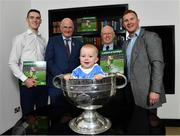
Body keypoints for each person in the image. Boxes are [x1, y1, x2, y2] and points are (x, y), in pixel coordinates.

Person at [122, 9, 166, 126]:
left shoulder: (150, 37)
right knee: (137, 125)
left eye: (132, 19)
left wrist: (155, 90)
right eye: (126, 20)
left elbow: (158, 63)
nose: (129, 22)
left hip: (147, 92)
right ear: (123, 24)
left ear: (138, 21)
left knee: (151, 124)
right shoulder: (125, 43)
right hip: (130, 91)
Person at [9, 9, 48, 117]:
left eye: (37, 18)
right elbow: (12, 62)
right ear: (27, 20)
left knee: (42, 114)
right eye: (32, 17)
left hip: (41, 82)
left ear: (41, 21)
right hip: (27, 83)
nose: (35, 20)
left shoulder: (43, 40)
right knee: (28, 116)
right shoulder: (20, 38)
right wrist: (25, 79)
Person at [45, 18, 83, 124]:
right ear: (61, 28)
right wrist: (61, 75)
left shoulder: (79, 43)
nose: (67, 29)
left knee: (74, 115)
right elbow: (49, 60)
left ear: (73, 28)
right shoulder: (53, 41)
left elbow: (82, 63)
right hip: (56, 85)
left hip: (73, 86)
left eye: (70, 27)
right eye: (65, 27)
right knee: (57, 116)